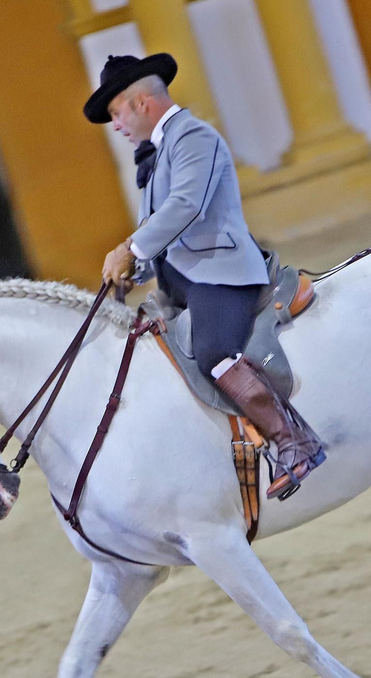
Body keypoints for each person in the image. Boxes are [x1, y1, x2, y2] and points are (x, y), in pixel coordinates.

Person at [84, 53, 325, 499]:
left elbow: (186, 207)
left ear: (140, 103)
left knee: (215, 350)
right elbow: (165, 230)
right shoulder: (156, 156)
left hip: (222, 273)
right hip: (182, 283)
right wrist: (134, 268)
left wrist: (129, 247)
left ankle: (295, 442)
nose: (115, 125)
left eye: (116, 113)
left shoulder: (194, 136)